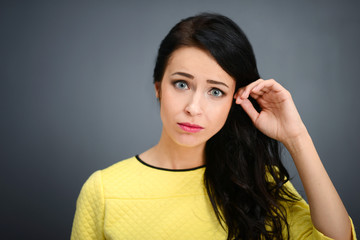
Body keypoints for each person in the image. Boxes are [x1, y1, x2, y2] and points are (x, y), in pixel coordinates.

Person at [71, 13, 356, 240]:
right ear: (158, 88)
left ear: (236, 99)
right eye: (181, 84)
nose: (194, 108)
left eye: (215, 91)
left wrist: (296, 137)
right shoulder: (104, 191)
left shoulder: (256, 182)